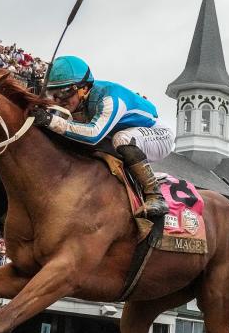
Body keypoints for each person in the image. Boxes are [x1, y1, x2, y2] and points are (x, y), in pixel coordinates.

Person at [30, 55, 174, 218]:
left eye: (64, 93)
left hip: (159, 135)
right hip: (122, 134)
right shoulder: (79, 100)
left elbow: (93, 135)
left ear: (83, 88)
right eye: (52, 94)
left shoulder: (110, 99)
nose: (59, 100)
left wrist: (51, 120)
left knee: (122, 139)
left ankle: (156, 196)